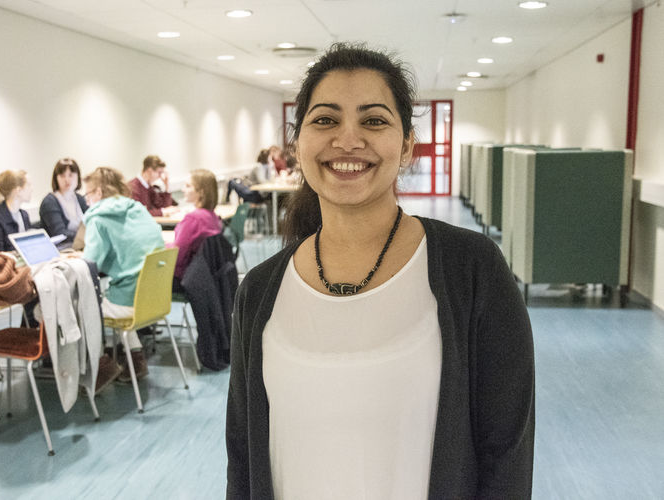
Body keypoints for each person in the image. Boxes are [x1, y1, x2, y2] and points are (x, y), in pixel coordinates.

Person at [226, 43, 535, 499]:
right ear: (298, 144)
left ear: (407, 144)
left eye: (373, 120)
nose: (348, 139)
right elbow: (243, 457)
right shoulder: (260, 290)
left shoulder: (471, 270)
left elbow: (506, 453)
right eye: (325, 119)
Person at [82, 167, 164, 382]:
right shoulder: (138, 209)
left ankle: (100, 366)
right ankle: (136, 361)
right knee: (114, 292)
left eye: (87, 194)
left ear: (98, 193)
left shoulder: (97, 218)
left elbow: (89, 264)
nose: (87, 200)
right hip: (153, 298)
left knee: (78, 307)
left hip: (129, 302)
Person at [172, 169, 223, 289]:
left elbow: (177, 258)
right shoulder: (213, 217)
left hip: (184, 278)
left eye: (188, 186)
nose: (183, 189)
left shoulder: (193, 219)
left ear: (201, 192)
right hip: (204, 278)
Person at [39, 157, 88, 245]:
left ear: (78, 176)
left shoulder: (80, 199)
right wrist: (86, 236)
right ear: (56, 178)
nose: (67, 180)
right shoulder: (50, 202)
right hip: (63, 249)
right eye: (62, 176)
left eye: (71, 175)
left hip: (82, 245)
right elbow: (59, 233)